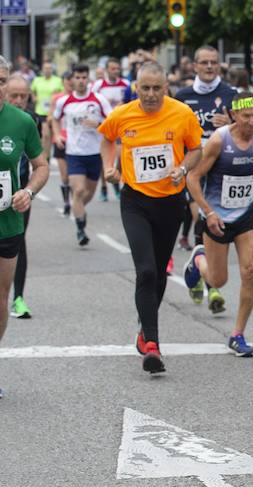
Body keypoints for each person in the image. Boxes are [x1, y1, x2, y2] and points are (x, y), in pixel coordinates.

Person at [98, 61, 204, 374]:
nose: (151, 94)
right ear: (136, 87)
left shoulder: (181, 113)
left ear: (165, 88)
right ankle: (153, 346)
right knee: (144, 271)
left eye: (157, 88)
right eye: (145, 88)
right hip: (135, 202)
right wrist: (109, 166)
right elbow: (106, 138)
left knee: (158, 273)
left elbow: (196, 149)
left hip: (170, 202)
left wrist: (182, 168)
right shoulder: (123, 114)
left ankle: (144, 330)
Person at [183, 93, 253, 355]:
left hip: (245, 216)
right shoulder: (219, 140)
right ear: (233, 115)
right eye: (246, 116)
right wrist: (208, 212)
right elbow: (193, 178)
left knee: (250, 271)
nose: (252, 122)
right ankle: (198, 261)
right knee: (218, 280)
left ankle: (237, 334)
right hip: (217, 217)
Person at [0, 55, 50, 397]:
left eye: (1, 80)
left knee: (0, 297)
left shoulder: (21, 122)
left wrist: (29, 190)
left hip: (7, 223)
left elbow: (41, 165)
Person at [175, 46, 236, 259]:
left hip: (221, 163)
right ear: (195, 66)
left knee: (213, 214)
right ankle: (201, 253)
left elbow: (245, 131)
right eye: (204, 62)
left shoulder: (231, 94)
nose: (209, 66)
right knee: (199, 208)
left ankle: (202, 256)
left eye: (213, 62)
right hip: (194, 162)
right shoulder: (183, 96)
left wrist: (231, 124)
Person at [50, 64, 113, 246]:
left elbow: (112, 120)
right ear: (72, 80)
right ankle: (80, 229)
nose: (80, 81)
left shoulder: (99, 100)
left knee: (89, 192)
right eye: (77, 78)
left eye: (84, 77)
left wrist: (99, 124)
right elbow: (54, 118)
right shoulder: (65, 102)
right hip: (74, 153)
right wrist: (57, 135)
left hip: (94, 153)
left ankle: (78, 210)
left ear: (88, 79)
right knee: (78, 190)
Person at [6, 74, 42, 320]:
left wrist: (28, 190)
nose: (19, 101)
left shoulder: (28, 120)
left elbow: (38, 158)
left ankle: (18, 297)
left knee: (20, 242)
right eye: (14, 96)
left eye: (24, 96)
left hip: (16, 197)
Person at [92, 58, 130, 202]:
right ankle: (103, 187)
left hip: (121, 125)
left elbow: (130, 101)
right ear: (107, 70)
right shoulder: (99, 85)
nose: (115, 71)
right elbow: (92, 100)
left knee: (121, 155)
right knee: (106, 157)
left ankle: (117, 180)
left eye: (117, 68)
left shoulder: (125, 84)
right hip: (104, 125)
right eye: (112, 68)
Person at [31, 61, 63, 159]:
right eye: (46, 68)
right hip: (41, 111)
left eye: (49, 68)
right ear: (42, 69)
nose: (47, 70)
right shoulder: (37, 80)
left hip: (53, 112)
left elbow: (62, 93)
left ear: (52, 69)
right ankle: (45, 157)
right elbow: (32, 90)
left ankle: (48, 156)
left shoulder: (57, 80)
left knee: (50, 136)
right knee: (45, 135)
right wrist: (34, 97)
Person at [51, 72, 73, 216]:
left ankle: (76, 201)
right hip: (61, 141)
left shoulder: (79, 99)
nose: (70, 82)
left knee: (75, 176)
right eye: (67, 80)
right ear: (63, 82)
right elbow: (51, 116)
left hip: (76, 142)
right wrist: (57, 134)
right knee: (65, 176)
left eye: (72, 79)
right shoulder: (57, 98)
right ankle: (66, 203)